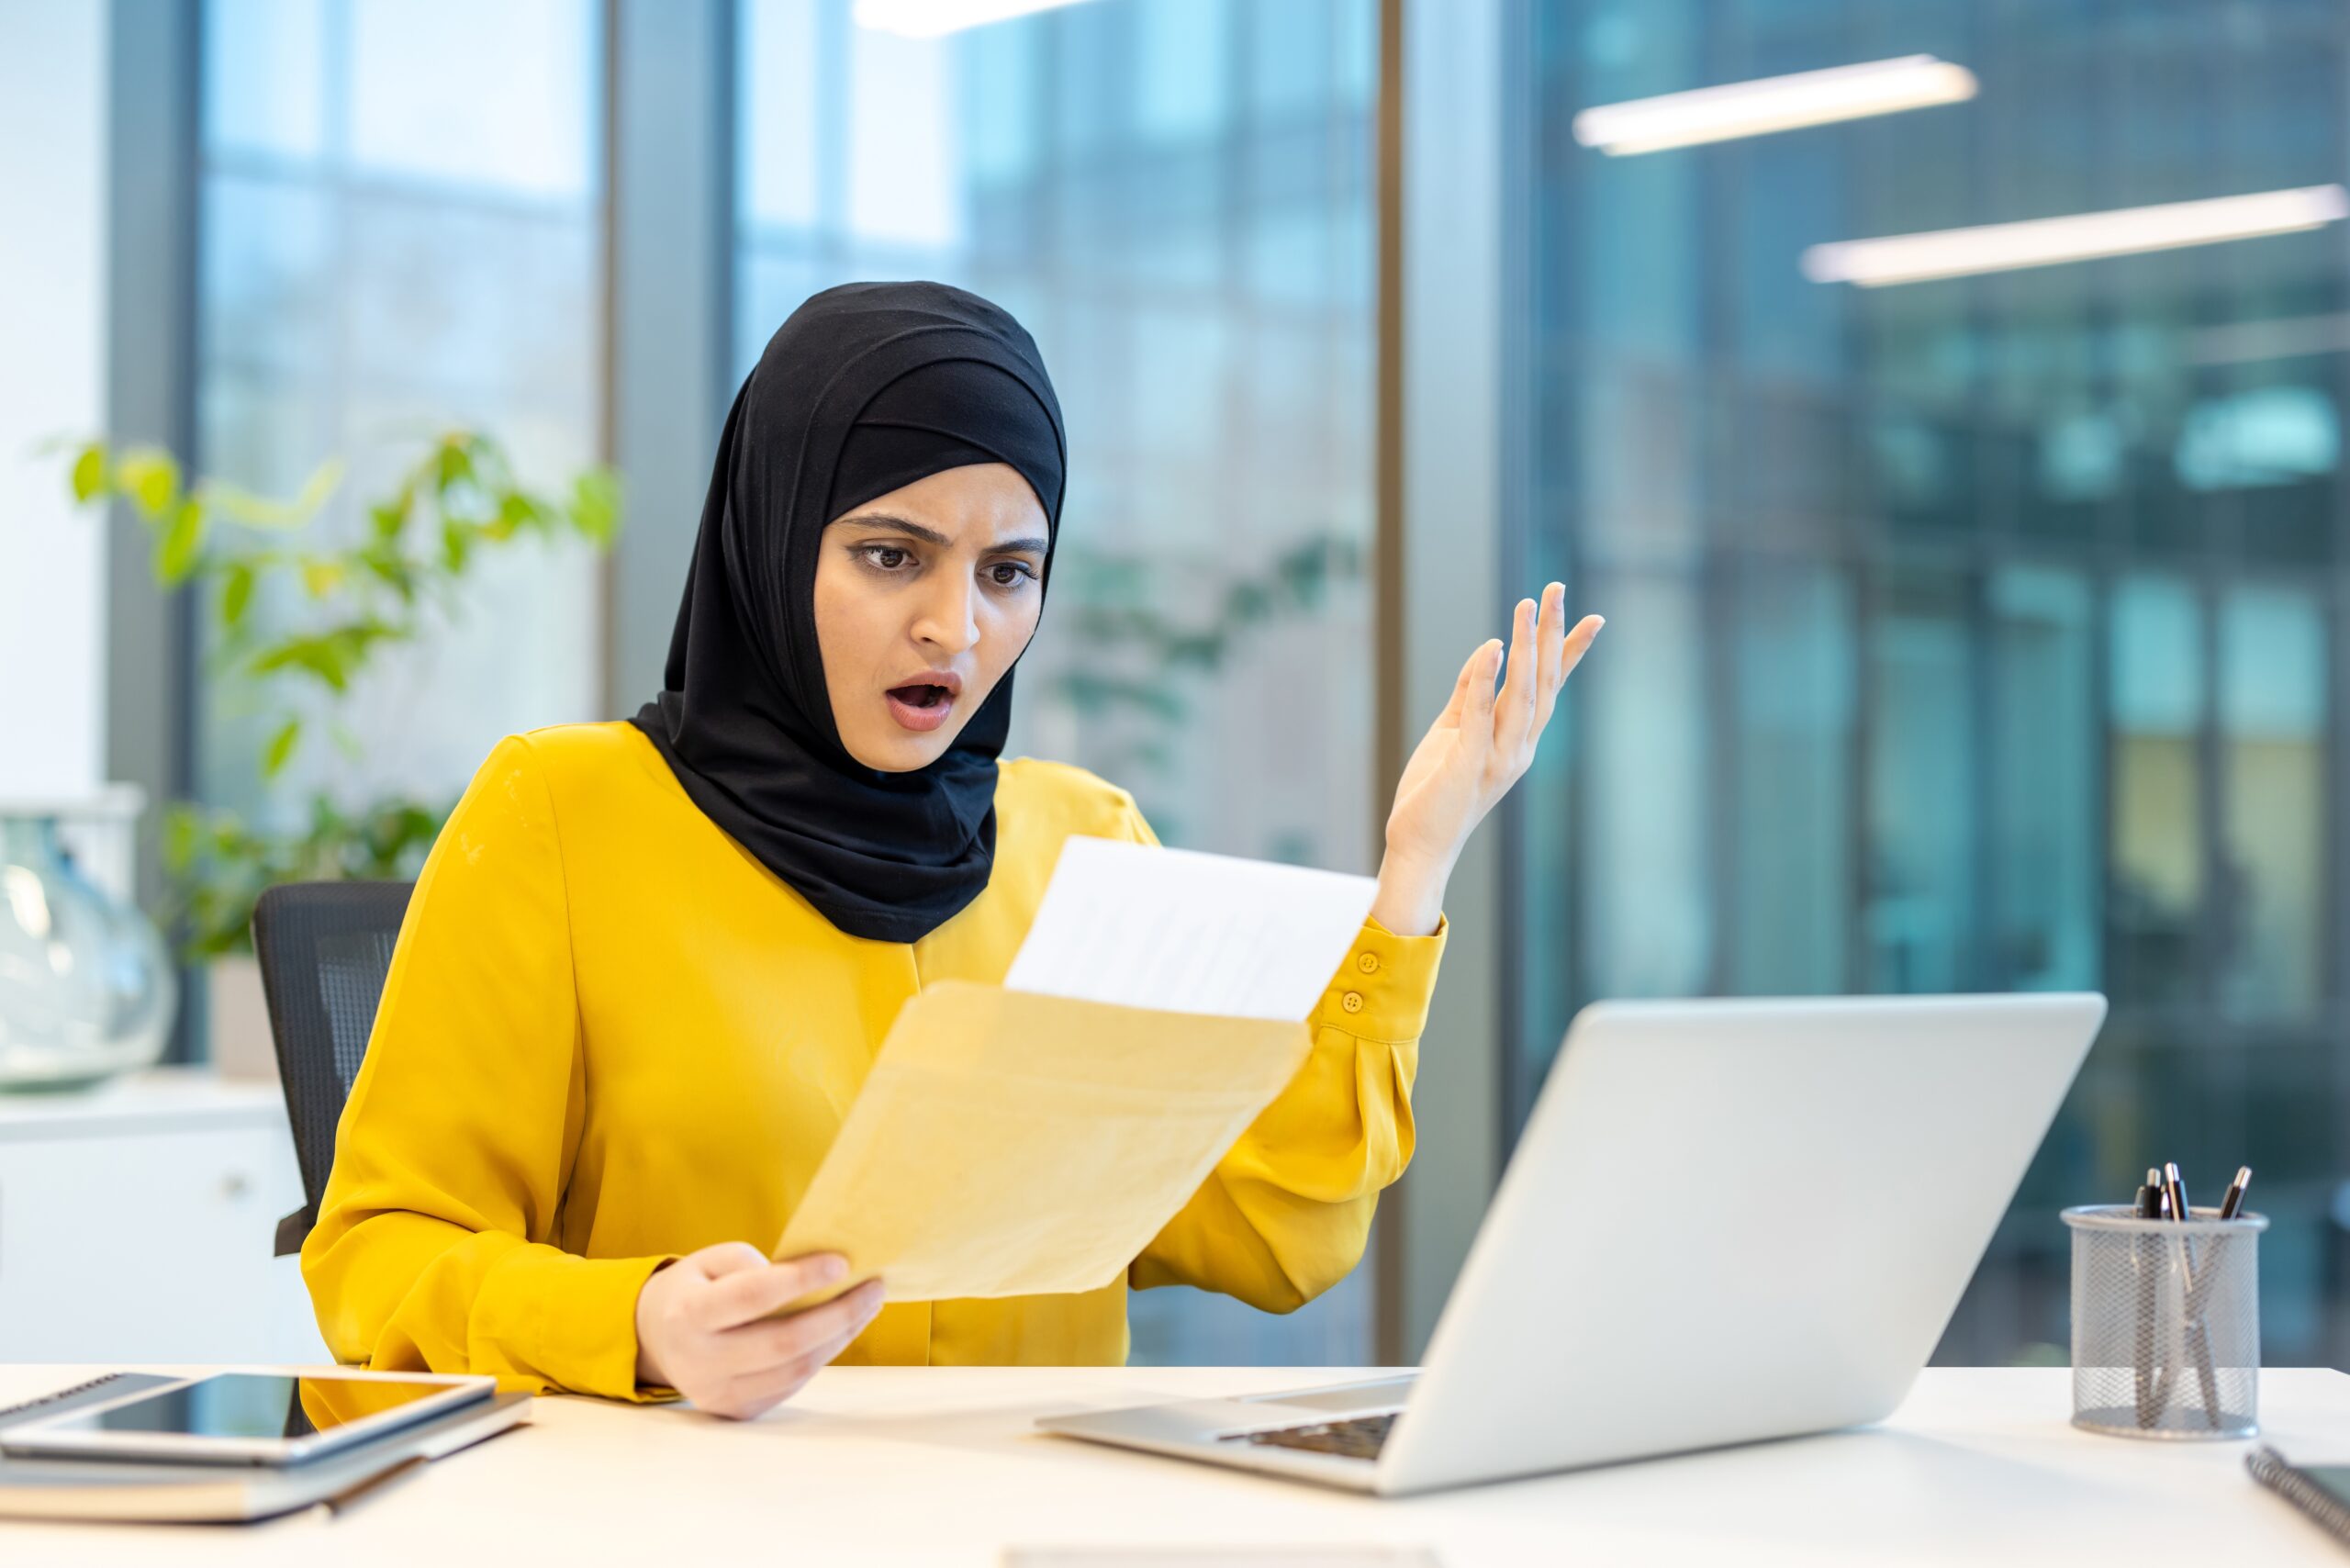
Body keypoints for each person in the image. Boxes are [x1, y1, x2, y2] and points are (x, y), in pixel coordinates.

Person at [302, 281, 1601, 1419]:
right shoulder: (563, 813)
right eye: (890, 555)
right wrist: (637, 1325)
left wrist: (1410, 880)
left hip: (1024, 1518)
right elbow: (378, 1256)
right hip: (695, 1516)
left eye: (1008, 572)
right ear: (773, 540)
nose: (954, 628)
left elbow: (1270, 1234)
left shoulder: (1085, 841)